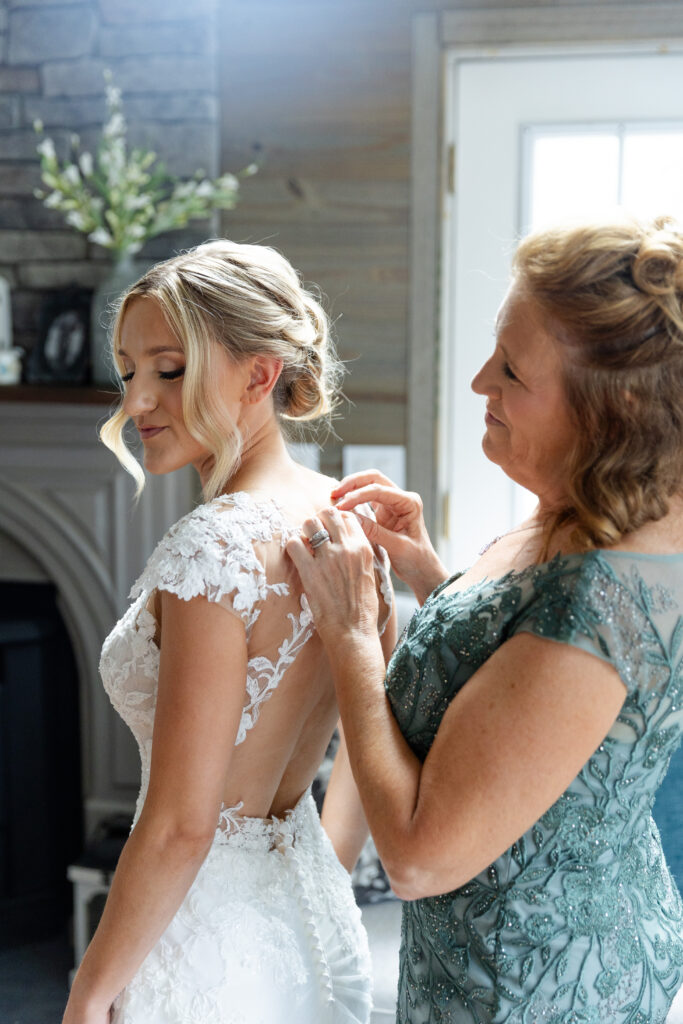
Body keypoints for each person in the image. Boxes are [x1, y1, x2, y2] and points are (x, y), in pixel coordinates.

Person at [287, 215, 683, 1023]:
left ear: (616, 403)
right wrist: (439, 580)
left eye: (510, 370)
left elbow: (421, 859)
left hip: (526, 986)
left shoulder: (603, 593)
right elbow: (521, 688)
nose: (477, 383)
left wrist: (353, 636)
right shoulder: (588, 511)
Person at [62, 240, 395, 1024]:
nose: (135, 403)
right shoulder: (345, 522)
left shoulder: (211, 546)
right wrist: (317, 876)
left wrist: (87, 993)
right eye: (128, 372)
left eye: (169, 370)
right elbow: (363, 741)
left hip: (200, 944)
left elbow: (181, 824)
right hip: (315, 925)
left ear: (258, 373)